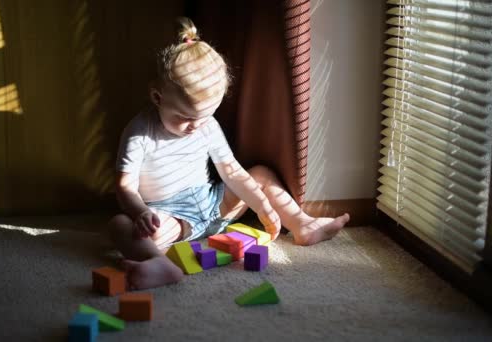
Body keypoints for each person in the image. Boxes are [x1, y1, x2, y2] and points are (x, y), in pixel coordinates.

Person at [109, 17, 350, 290]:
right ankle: (161, 264)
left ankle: (301, 224)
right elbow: (124, 185)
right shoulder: (140, 132)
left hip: (214, 204)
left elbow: (232, 172)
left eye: (204, 116)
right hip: (172, 217)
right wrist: (141, 212)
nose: (195, 126)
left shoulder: (206, 126)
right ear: (157, 97)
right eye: (184, 117)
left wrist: (262, 206)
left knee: (259, 174)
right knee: (120, 225)